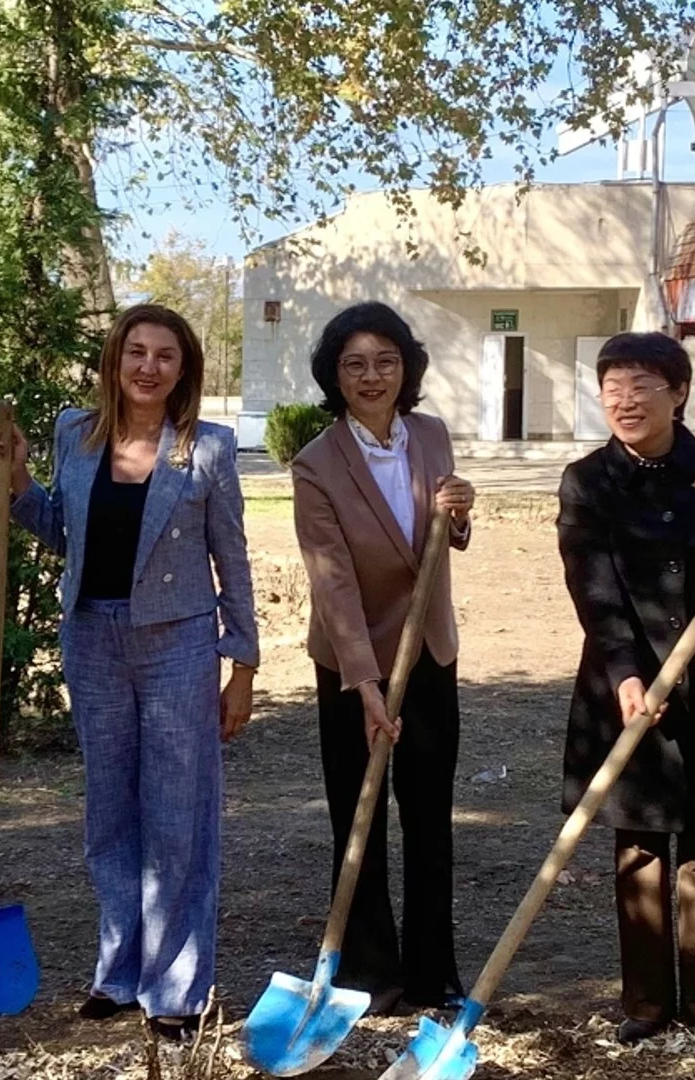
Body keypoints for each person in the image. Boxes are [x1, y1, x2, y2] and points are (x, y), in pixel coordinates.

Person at [0, 304, 257, 1042]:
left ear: (184, 369)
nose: (148, 367)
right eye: (135, 352)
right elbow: (58, 530)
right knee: (110, 814)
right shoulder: (75, 433)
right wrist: (16, 482)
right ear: (115, 361)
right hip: (93, 641)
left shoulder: (207, 448)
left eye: (164, 356)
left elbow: (231, 559)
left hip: (178, 644)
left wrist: (242, 664)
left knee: (178, 817)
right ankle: (118, 971)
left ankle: (176, 988)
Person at [555, 331, 695, 1057]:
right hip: (624, 683)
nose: (625, 400)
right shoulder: (587, 481)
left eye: (642, 386)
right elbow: (592, 590)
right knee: (640, 850)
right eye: (612, 387)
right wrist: (625, 672)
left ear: (678, 393)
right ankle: (647, 1004)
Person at [288, 301, 475, 1016]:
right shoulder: (316, 464)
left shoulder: (430, 435)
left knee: (428, 814)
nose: (372, 376)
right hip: (349, 662)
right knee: (358, 815)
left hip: (428, 652)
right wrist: (363, 684)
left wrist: (457, 513)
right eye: (355, 364)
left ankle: (434, 972)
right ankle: (370, 971)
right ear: (334, 376)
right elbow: (331, 580)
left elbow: (443, 535)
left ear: (407, 367)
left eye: (386, 361)